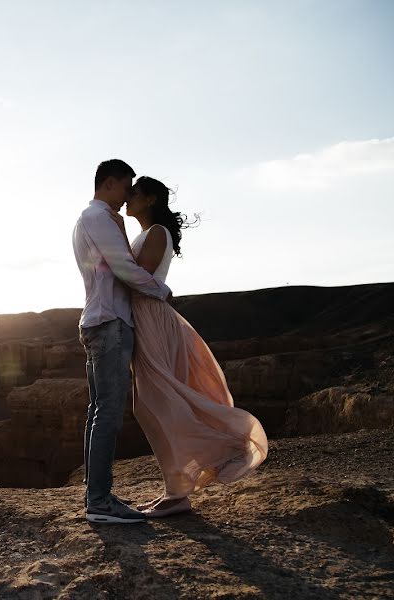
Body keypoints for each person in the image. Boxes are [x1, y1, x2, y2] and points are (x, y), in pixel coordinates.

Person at [125, 175, 269, 518]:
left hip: (150, 318)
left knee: (156, 403)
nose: (128, 198)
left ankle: (185, 487)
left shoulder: (157, 232)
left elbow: (140, 277)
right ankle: (175, 491)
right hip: (143, 317)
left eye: (134, 193)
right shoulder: (145, 233)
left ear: (150, 199)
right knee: (148, 405)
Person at [72, 159, 172, 524]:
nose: (127, 195)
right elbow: (126, 269)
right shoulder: (99, 218)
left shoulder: (93, 218)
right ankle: (99, 502)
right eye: (125, 187)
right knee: (109, 413)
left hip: (99, 319)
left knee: (98, 410)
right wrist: (162, 289)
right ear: (109, 183)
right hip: (110, 322)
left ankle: (94, 495)